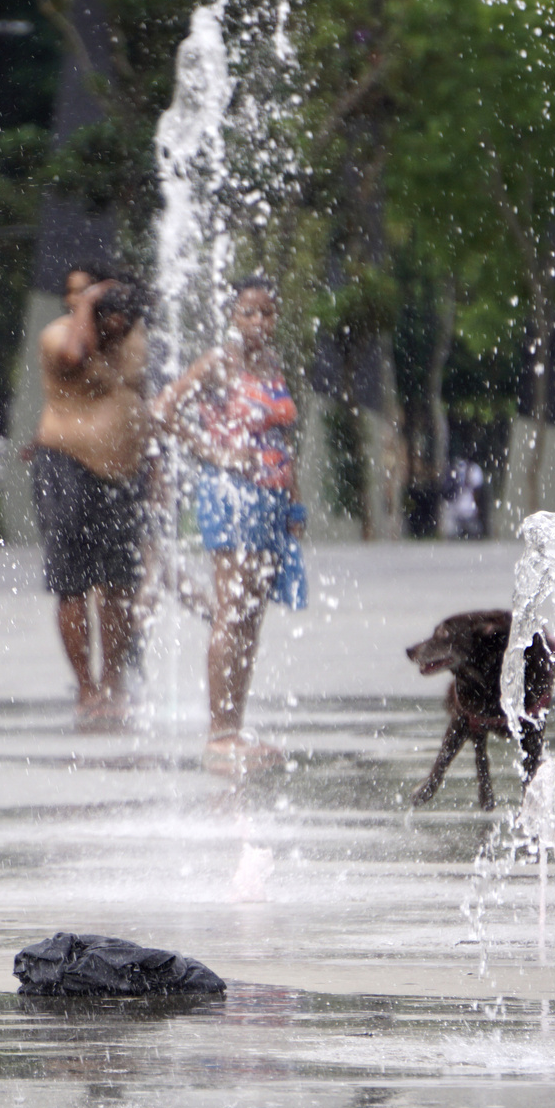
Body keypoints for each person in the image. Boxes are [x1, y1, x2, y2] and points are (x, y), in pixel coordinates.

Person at [154, 277, 305, 777]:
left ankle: (234, 727)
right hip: (231, 496)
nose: (257, 323)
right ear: (232, 317)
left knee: (251, 615)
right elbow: (165, 409)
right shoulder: (219, 362)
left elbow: (283, 436)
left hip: (270, 499)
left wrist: (295, 504)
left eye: (265, 313)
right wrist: (218, 453)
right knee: (231, 611)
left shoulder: (273, 365)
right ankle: (219, 734)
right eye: (247, 313)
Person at [30, 271, 153, 728]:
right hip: (68, 468)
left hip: (123, 477)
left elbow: (142, 392)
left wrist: (153, 468)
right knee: (74, 584)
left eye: (127, 319)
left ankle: (116, 681)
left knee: (120, 586)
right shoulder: (61, 335)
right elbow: (75, 354)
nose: (118, 329)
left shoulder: (131, 337)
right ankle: (87, 687)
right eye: (110, 320)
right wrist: (86, 304)